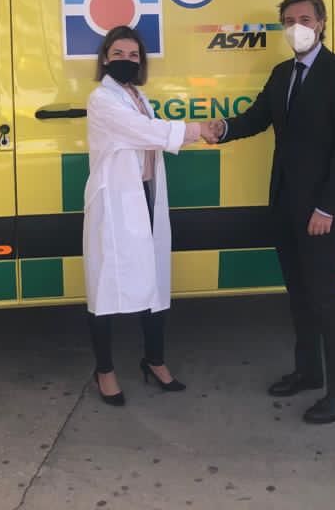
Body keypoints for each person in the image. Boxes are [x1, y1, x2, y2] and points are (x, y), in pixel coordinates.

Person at [202, 0, 335, 424]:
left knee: (325, 298)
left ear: (321, 24)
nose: (297, 27)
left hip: (322, 210)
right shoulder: (281, 74)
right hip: (286, 205)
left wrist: (326, 208)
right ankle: (309, 372)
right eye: (289, 21)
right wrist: (222, 129)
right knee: (299, 295)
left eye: (305, 19)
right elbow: (257, 118)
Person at [83, 25, 202, 406]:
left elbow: (151, 135)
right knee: (105, 285)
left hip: (145, 197)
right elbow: (142, 131)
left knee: (155, 279)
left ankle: (154, 360)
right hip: (116, 203)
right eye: (118, 54)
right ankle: (104, 370)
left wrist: (189, 133)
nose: (126, 61)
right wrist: (198, 130)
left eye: (133, 55)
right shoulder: (102, 99)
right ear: (105, 59)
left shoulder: (139, 96)